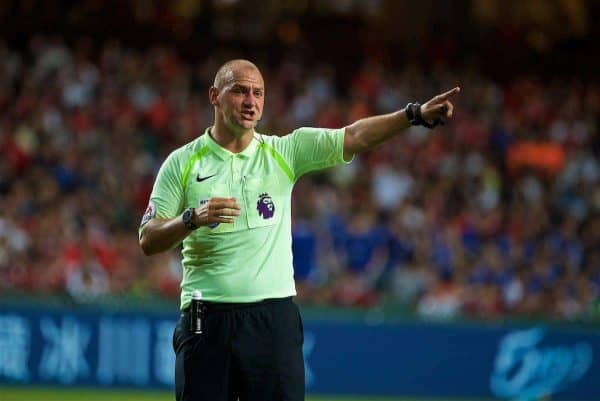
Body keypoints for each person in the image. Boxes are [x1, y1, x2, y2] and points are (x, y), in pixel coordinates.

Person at [138, 59, 459, 401]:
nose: (251, 101)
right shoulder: (182, 163)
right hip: (206, 318)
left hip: (272, 318)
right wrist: (190, 218)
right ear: (214, 96)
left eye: (258, 93)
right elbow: (148, 238)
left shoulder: (284, 152)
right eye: (240, 91)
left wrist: (413, 115)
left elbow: (354, 135)